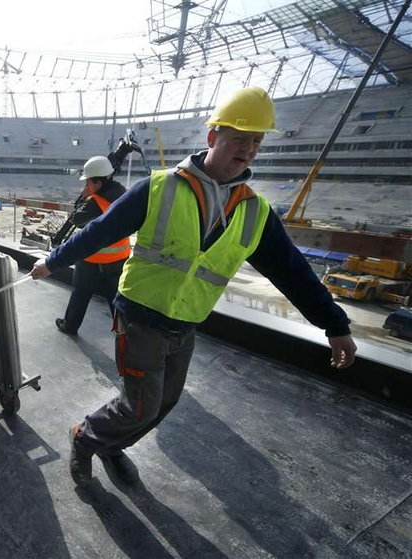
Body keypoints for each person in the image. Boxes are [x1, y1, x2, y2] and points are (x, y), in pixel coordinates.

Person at [30, 86, 358, 487]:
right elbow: (101, 230)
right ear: (212, 138)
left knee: (163, 404)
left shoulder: (256, 212)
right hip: (140, 317)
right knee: (141, 407)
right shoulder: (160, 186)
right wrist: (52, 261)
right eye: (239, 138)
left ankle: (111, 444)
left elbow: (293, 273)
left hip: (185, 323)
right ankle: (86, 437)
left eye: (256, 141)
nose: (248, 149)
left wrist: (335, 324)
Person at [54, 155, 131, 336]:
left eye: (89, 182)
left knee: (81, 294)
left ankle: (70, 325)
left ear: (98, 182)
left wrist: (84, 198)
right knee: (116, 299)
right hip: (119, 258)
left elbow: (76, 219)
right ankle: (123, 332)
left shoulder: (95, 202)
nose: (87, 186)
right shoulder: (125, 194)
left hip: (92, 259)